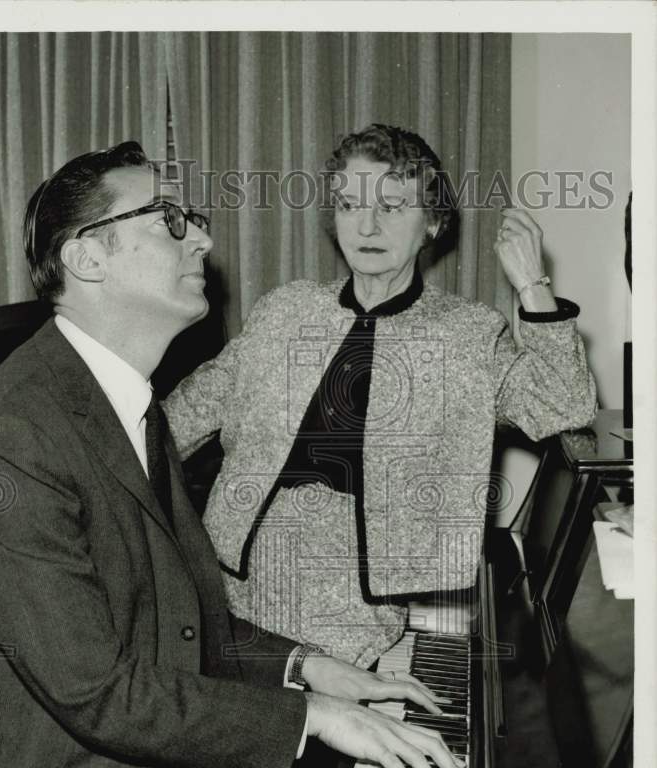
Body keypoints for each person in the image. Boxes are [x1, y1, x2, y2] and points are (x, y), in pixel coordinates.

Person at [0, 140, 463, 768]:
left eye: (193, 221)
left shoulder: (126, 408)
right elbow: (100, 690)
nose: (202, 240)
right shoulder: (10, 439)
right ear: (88, 255)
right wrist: (317, 719)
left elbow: (185, 626)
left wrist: (314, 671)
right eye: (170, 222)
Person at [163, 123, 597, 667]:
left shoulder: (466, 333)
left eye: (391, 207)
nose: (366, 224)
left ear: (432, 223)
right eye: (349, 204)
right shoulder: (287, 310)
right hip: (232, 583)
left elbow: (564, 402)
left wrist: (533, 284)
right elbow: (179, 418)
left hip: (356, 608)